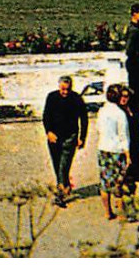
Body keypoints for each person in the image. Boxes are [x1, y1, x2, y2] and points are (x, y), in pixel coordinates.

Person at [42, 75, 88, 206]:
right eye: (63, 89)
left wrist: (82, 137)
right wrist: (48, 132)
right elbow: (46, 116)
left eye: (67, 89)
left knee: (64, 165)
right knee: (57, 164)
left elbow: (84, 119)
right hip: (54, 136)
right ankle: (64, 184)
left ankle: (60, 195)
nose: (65, 92)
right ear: (59, 86)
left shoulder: (77, 99)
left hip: (70, 136)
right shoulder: (52, 97)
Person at [96, 84, 132, 222]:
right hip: (116, 150)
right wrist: (128, 154)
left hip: (103, 148)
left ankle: (107, 212)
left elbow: (98, 128)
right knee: (119, 183)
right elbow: (124, 135)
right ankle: (122, 214)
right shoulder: (120, 113)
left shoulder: (102, 111)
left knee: (105, 183)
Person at [117, 84, 139, 220]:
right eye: (121, 96)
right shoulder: (117, 112)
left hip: (136, 147)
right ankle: (126, 210)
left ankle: (131, 204)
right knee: (125, 180)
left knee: (133, 179)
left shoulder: (133, 109)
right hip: (124, 148)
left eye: (126, 96)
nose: (124, 99)